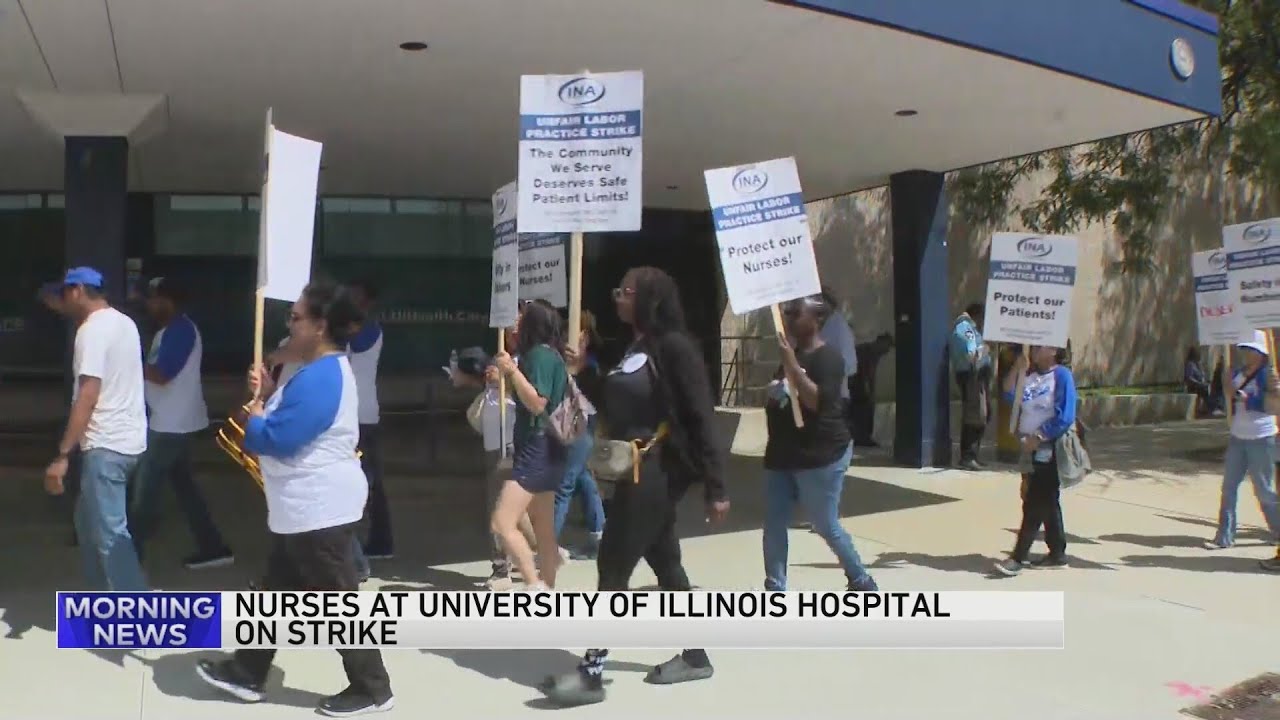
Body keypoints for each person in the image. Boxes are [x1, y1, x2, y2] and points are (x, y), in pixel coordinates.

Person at [196, 281, 393, 716]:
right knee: (274, 594)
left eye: (296, 318)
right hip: (299, 512)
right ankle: (248, 671)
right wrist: (264, 395)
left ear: (320, 326)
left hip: (318, 512)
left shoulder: (323, 376)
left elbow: (277, 439)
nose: (289, 324)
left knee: (339, 604)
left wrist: (257, 417)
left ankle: (373, 690)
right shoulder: (314, 372)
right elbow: (278, 424)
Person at [542, 266, 729, 707]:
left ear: (650, 299)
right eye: (618, 289)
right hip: (633, 470)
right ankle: (696, 655)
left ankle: (591, 673)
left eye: (625, 291)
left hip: (658, 470)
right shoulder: (637, 346)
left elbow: (702, 415)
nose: (617, 298)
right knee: (666, 563)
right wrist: (581, 370)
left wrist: (716, 485)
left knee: (613, 563)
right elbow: (615, 399)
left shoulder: (675, 347)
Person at [42, 267, 149, 591]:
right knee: (88, 527)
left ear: (77, 291)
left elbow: (88, 393)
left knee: (111, 538)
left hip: (106, 446)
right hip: (129, 441)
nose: (61, 301)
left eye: (64, 294)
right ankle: (99, 605)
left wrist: (62, 455)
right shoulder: (124, 323)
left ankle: (139, 622)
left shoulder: (91, 331)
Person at [763, 295, 878, 592]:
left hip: (820, 456)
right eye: (786, 311)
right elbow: (787, 395)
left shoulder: (829, 359)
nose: (788, 316)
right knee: (774, 523)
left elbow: (816, 401)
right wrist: (777, 390)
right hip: (783, 454)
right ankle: (775, 586)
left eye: (795, 311)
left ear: (816, 320)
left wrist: (792, 367)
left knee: (824, 524)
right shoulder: (792, 354)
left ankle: (860, 579)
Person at [129, 277, 232, 569]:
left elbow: (162, 375)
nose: (148, 305)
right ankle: (214, 547)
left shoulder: (180, 330)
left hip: (170, 426)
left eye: (152, 299)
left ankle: (126, 566)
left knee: (143, 497)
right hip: (173, 421)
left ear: (167, 301)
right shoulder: (172, 330)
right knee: (185, 490)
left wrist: (128, 363)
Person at [490, 300, 568, 590]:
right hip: (546, 446)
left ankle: (534, 584)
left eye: (521, 318)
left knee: (502, 522)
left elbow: (537, 403)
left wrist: (511, 371)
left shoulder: (539, 356)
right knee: (544, 530)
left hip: (538, 445)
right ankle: (548, 587)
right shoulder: (548, 356)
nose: (516, 323)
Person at [995, 345, 1078, 575]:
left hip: (1050, 449)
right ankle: (1058, 552)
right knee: (1047, 500)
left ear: (1053, 350)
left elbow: (1066, 414)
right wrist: (1017, 368)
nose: (1034, 350)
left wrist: (1041, 435)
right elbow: (1009, 394)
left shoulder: (1061, 376)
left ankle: (1018, 558)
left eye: (1040, 346)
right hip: (1029, 450)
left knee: (1035, 501)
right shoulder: (1029, 375)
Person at [1206, 330, 1280, 551]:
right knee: (1228, 487)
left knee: (1264, 490)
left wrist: (1271, 390)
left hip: (1261, 437)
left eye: (1250, 349)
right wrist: (1226, 381)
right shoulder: (1239, 372)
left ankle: (1278, 531)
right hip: (1238, 437)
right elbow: (1229, 394)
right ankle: (1224, 536)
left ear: (1260, 352)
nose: (1245, 353)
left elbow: (1274, 402)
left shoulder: (1269, 373)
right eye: (1244, 349)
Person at [347, 279, 393, 562]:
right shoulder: (347, 329)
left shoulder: (370, 330)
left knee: (370, 482)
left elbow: (351, 337)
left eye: (355, 299)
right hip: (349, 415)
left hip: (362, 416)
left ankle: (380, 540)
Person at [555, 309, 606, 559]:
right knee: (584, 480)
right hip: (573, 428)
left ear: (582, 337)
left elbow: (588, 399)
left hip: (581, 428)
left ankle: (546, 545)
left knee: (563, 484)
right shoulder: (571, 364)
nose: (564, 339)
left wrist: (573, 370)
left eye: (569, 334)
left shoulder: (591, 369)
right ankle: (600, 535)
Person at [951, 303, 992, 470]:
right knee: (975, 414)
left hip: (975, 375)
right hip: (973, 375)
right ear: (977, 315)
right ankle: (968, 456)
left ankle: (973, 454)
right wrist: (985, 349)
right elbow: (972, 352)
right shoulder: (965, 327)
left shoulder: (967, 328)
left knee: (980, 414)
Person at [818, 287, 858, 432]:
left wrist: (827, 372)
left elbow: (850, 365)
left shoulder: (839, 327)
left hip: (836, 397)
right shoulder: (818, 327)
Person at [850, 332, 894, 447]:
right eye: (888, 346)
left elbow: (870, 375)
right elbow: (867, 374)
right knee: (864, 410)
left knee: (862, 411)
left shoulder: (872, 351)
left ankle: (861, 437)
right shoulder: (869, 352)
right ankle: (862, 437)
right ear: (881, 342)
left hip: (856, 384)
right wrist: (870, 392)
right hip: (856, 385)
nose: (888, 351)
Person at [1184, 346, 1217, 418]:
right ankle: (1209, 409)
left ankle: (1208, 408)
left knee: (1209, 388)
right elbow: (1189, 377)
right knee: (1204, 389)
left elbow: (1202, 375)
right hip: (1193, 385)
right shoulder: (1190, 364)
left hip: (1200, 384)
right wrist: (1199, 383)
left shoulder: (1197, 364)